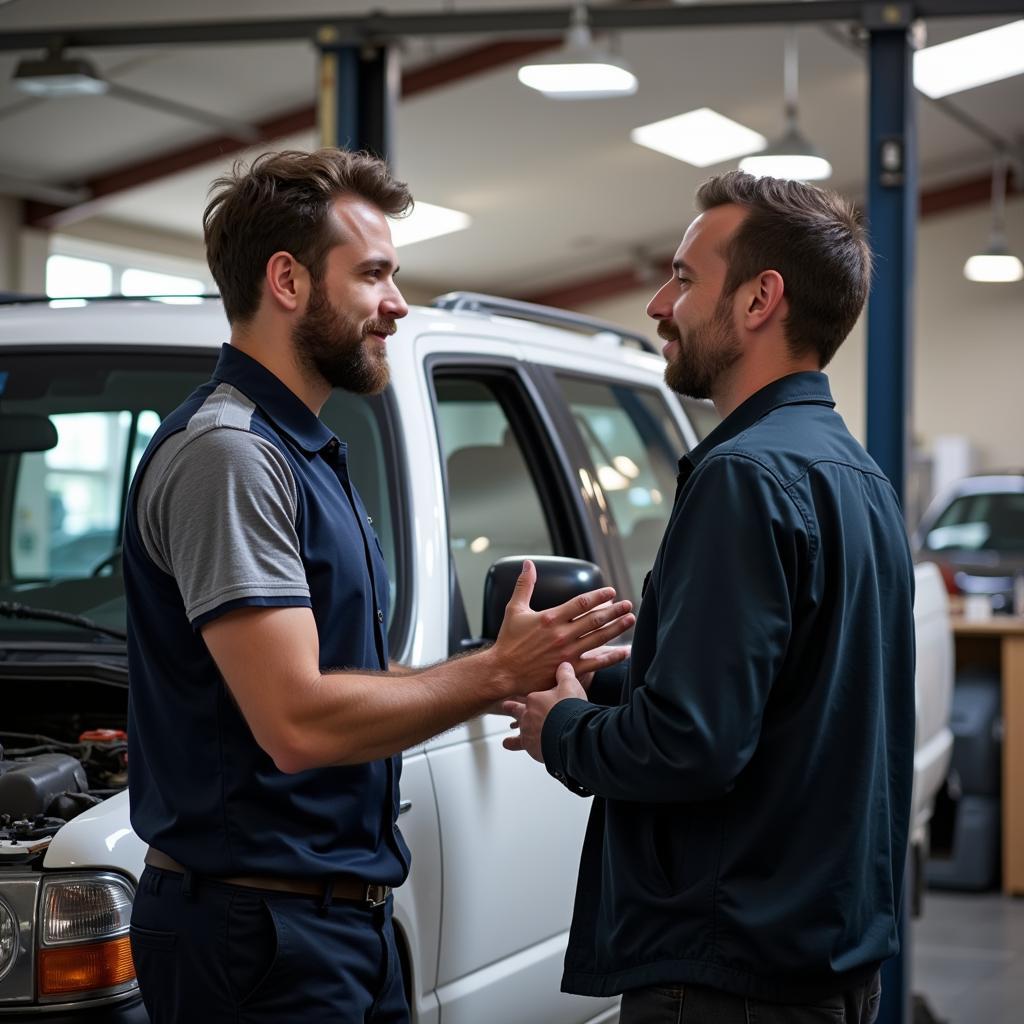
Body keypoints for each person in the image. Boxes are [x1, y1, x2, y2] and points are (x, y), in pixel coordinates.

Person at [122, 148, 634, 1024]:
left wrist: (497, 680)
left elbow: (339, 680)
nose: (396, 304)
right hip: (258, 940)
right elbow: (295, 721)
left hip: (336, 924)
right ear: (287, 280)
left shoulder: (306, 451)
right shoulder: (231, 456)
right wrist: (493, 674)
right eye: (373, 275)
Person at [505, 170, 916, 1024]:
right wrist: (635, 673)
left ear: (762, 298)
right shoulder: (857, 474)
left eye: (686, 278)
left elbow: (692, 748)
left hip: (728, 981)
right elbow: (796, 696)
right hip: (827, 968)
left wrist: (565, 730)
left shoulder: (743, 476)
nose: (660, 303)